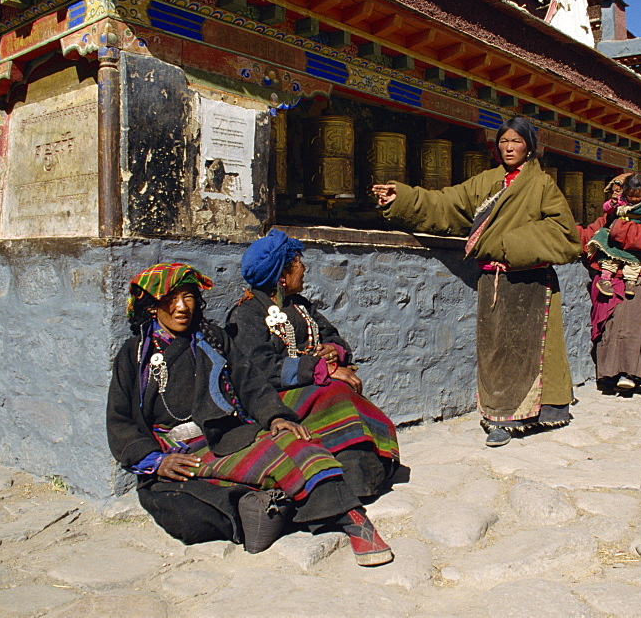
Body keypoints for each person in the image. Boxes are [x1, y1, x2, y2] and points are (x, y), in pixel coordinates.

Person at [106, 262, 393, 566]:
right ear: (152, 308)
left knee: (297, 446)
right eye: (170, 300)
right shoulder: (135, 356)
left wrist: (275, 417)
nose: (181, 308)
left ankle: (352, 519)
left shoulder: (212, 340)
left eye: (188, 297)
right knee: (191, 510)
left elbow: (251, 384)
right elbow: (119, 420)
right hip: (180, 453)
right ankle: (281, 507)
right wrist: (158, 462)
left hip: (226, 434)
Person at [371, 117, 581, 447]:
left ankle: (546, 410)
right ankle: (499, 417)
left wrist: (505, 246)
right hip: (494, 281)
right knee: (497, 351)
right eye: (504, 142)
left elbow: (566, 236)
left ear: (529, 147)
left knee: (536, 352)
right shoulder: (486, 182)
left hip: (532, 282)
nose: (509, 148)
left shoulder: (542, 186)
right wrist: (402, 198)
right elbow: (445, 204)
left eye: (517, 142)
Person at [225, 230, 400, 500]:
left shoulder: (301, 306)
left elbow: (332, 335)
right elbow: (260, 368)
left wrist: (333, 350)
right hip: (276, 397)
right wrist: (321, 369)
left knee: (341, 393)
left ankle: (367, 465)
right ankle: (351, 475)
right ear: (281, 276)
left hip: (315, 386)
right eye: (297, 263)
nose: (304, 268)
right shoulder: (246, 314)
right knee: (336, 394)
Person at [578, 175, 641, 397]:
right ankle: (610, 374)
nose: (619, 197)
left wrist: (620, 229)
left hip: (635, 280)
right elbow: (585, 237)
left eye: (621, 192)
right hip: (608, 280)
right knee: (610, 326)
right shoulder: (604, 221)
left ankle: (635, 375)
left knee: (633, 326)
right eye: (615, 193)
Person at [586, 172, 641, 298]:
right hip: (613, 250)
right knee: (607, 253)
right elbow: (589, 233)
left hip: (638, 276)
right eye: (613, 191)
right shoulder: (616, 208)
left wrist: (632, 230)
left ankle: (630, 283)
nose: (633, 199)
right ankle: (605, 279)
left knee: (634, 262)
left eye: (618, 190)